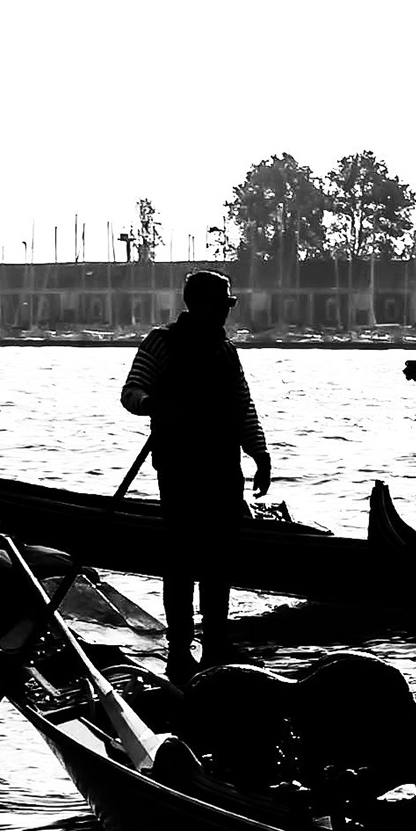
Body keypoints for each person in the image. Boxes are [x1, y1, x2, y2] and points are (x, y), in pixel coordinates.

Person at [117, 271, 273, 679]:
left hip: (223, 469)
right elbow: (131, 393)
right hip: (180, 469)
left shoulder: (226, 352)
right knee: (182, 560)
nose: (226, 308)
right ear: (201, 304)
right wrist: (157, 405)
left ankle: (216, 643)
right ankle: (180, 649)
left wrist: (259, 453)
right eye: (222, 301)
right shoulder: (162, 343)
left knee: (218, 560)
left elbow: (243, 407)